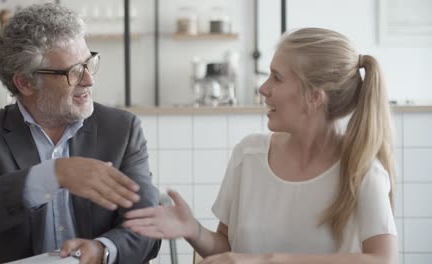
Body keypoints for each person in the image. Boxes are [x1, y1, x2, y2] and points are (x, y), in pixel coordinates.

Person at [124, 27, 398, 263]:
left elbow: (383, 260)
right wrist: (192, 229)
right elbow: (228, 249)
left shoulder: (362, 172)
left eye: (276, 77)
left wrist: (268, 260)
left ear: (314, 97)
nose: (263, 88)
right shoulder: (248, 155)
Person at [0, 3, 160, 264]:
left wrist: (102, 251)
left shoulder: (122, 130)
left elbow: (147, 226)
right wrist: (54, 174)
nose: (89, 80)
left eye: (89, 63)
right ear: (25, 83)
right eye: (73, 72)